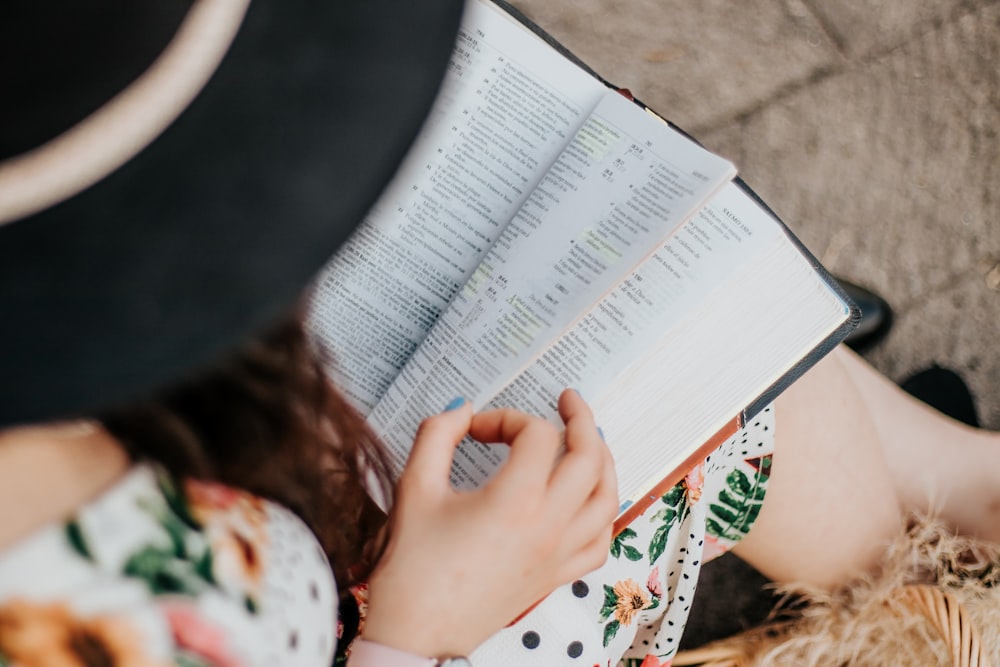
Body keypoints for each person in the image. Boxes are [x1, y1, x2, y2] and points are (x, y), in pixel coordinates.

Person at [2, 2, 998, 667]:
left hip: (288, 515)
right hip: (404, 622)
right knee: (680, 380)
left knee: (667, 287)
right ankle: (913, 555)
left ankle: (928, 474)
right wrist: (415, 630)